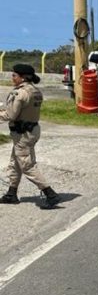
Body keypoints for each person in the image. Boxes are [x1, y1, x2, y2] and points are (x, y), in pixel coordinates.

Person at [0, 64, 60, 207]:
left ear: (22, 77)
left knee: (27, 165)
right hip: (32, 130)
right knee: (15, 163)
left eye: (14, 75)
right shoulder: (35, 91)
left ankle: (49, 193)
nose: (12, 78)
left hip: (22, 134)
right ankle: (11, 193)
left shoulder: (19, 93)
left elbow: (11, 114)